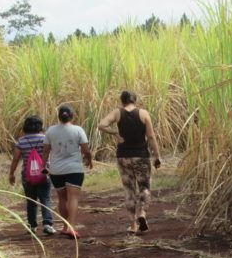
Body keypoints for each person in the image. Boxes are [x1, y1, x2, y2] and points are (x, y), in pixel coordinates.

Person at [98, 90, 161, 234]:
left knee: (129, 190)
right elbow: (151, 137)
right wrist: (157, 156)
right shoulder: (143, 114)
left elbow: (101, 125)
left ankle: (133, 225)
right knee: (144, 187)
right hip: (141, 156)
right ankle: (142, 215)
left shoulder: (117, 113)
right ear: (135, 100)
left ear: (122, 101)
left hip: (123, 157)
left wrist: (115, 133)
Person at [42, 104, 93, 239]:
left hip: (56, 170)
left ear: (59, 116)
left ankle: (65, 226)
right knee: (73, 198)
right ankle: (72, 227)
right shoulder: (78, 130)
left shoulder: (51, 131)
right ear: (72, 116)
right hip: (74, 169)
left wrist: (43, 165)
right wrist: (89, 160)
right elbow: (85, 149)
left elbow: (46, 150)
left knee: (62, 198)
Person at [9, 115, 56, 235]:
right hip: (44, 174)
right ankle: (47, 224)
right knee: (45, 199)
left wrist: (11, 174)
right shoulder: (45, 138)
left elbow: (15, 159)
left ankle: (32, 226)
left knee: (31, 201)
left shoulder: (21, 141)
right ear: (40, 126)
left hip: (27, 176)